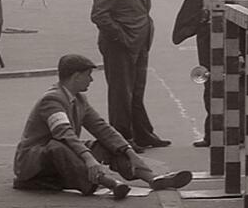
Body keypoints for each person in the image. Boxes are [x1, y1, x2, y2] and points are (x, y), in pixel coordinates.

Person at [13, 54, 192, 198]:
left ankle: (151, 178)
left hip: (64, 148)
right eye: (88, 76)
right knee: (58, 147)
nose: (91, 80)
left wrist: (128, 151)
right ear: (76, 77)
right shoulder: (52, 99)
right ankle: (108, 183)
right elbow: (64, 133)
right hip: (35, 159)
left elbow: (102, 128)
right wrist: (89, 158)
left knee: (107, 144)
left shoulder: (79, 99)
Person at [172, 0, 248, 149]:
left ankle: (238, 134)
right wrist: (197, 20)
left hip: (230, 35)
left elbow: (243, 4)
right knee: (209, 82)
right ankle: (212, 133)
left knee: (233, 82)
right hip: (207, 34)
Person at [91, 0, 170, 151]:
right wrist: (122, 37)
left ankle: (143, 134)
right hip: (120, 46)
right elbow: (99, 15)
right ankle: (122, 139)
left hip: (139, 44)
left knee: (136, 90)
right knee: (120, 94)